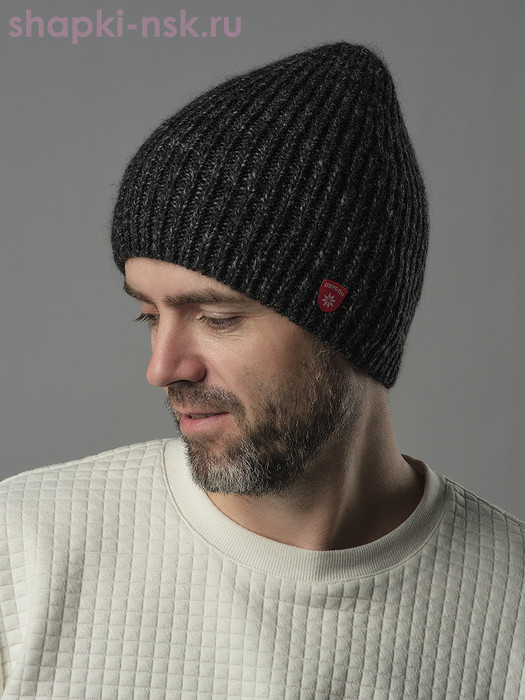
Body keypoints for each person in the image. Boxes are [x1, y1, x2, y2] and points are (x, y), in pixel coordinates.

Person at [1, 41, 524, 699]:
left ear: (350, 323)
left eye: (217, 317)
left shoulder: (510, 615)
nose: (162, 367)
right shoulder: (23, 553)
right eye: (149, 315)